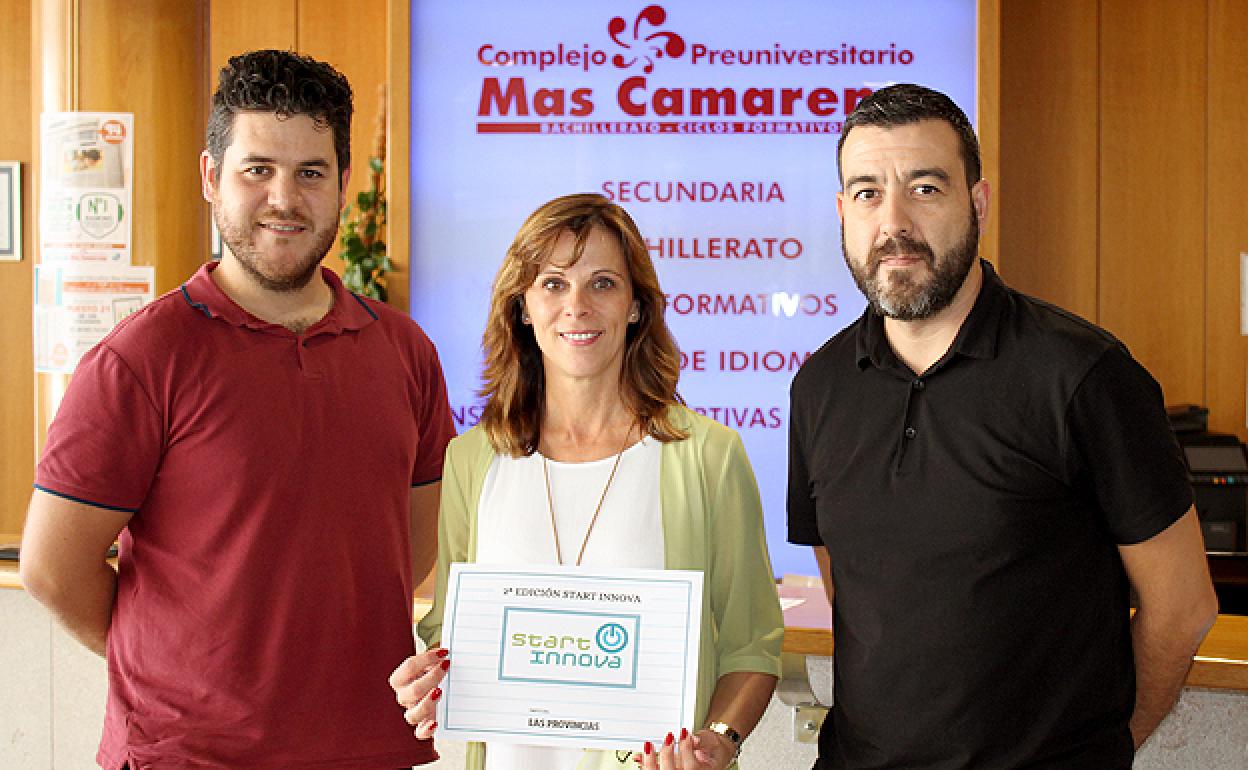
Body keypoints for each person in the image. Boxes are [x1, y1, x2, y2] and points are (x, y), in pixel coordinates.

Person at [19, 49, 455, 769]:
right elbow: (53, 569)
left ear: (344, 185)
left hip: (367, 750)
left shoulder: (403, 350)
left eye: (310, 172)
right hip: (188, 755)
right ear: (210, 177)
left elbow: (409, 545)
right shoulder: (142, 359)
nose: (284, 198)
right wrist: (186, 665)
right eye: (258, 169)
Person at [786, 82, 1220, 769]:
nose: (893, 221)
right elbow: (855, 595)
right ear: (843, 212)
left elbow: (1183, 606)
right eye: (867, 192)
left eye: (925, 188)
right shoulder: (820, 387)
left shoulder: (1082, 375)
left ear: (977, 203)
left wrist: (1104, 747)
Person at [389, 193, 783, 770]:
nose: (577, 305)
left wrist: (719, 738)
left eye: (602, 283)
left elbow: (753, 644)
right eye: (552, 283)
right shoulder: (472, 460)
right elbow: (452, 634)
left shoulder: (707, 457)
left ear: (634, 306)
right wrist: (428, 683)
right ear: (521, 306)